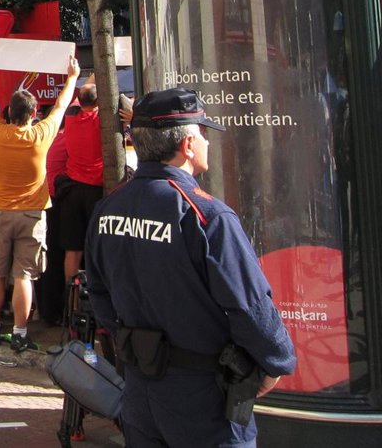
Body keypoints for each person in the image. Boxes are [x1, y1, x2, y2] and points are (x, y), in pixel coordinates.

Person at [86, 88, 296, 447]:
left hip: (140, 391)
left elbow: (98, 292)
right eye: (202, 134)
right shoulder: (206, 215)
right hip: (204, 398)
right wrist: (276, 361)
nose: (207, 143)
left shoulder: (108, 208)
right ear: (186, 145)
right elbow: (250, 305)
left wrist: (135, 342)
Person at [0, 53, 79, 352]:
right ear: (34, 113)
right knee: (23, 276)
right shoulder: (41, 134)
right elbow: (61, 106)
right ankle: (20, 333)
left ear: (10, 111)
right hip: (32, 214)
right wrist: (72, 77)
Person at [58, 84, 104, 283]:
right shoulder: (101, 120)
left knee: (72, 251)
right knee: (98, 246)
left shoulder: (70, 116)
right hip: (96, 190)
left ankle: (72, 297)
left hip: (72, 190)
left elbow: (82, 96)